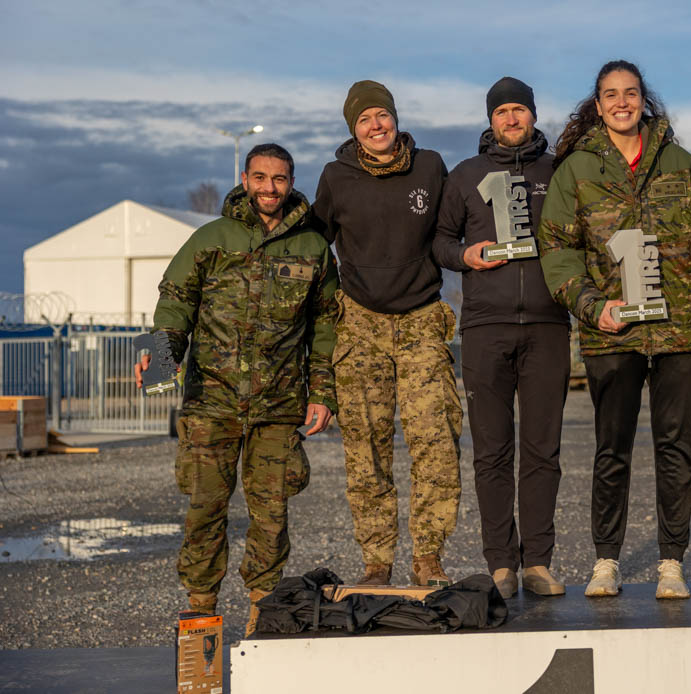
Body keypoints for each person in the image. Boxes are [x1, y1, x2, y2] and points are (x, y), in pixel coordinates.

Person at [537, 59, 691, 599]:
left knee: (676, 448)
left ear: (645, 100)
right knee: (611, 448)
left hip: (678, 331)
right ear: (597, 106)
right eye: (610, 95)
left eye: (631, 93)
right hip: (610, 333)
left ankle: (671, 562)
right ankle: (606, 561)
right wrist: (590, 304)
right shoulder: (576, 171)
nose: (622, 102)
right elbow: (558, 248)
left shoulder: (681, 164)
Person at [136, 143, 338, 636]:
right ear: (245, 179)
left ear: (292, 183)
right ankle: (201, 610)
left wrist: (322, 392)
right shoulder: (212, 238)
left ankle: (263, 613)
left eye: (280, 179)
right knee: (206, 508)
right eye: (261, 177)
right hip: (212, 401)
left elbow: (326, 323)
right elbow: (176, 303)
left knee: (272, 513)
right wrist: (161, 355)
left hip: (279, 406)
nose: (270, 188)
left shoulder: (312, 247)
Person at [314, 80, 462, 588]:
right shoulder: (336, 177)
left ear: (395, 118)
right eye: (364, 120)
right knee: (366, 449)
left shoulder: (430, 166)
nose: (376, 127)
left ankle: (428, 556)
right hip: (360, 325)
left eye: (382, 116)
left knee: (435, 442)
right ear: (353, 129)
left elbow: (453, 230)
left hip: (421, 319)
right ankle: (377, 561)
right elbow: (314, 247)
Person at [432, 77, 570, 599]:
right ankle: (500, 565)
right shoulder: (465, 175)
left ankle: (537, 561)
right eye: (502, 111)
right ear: (490, 119)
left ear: (533, 115)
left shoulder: (557, 171)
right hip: (485, 327)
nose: (511, 119)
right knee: (491, 451)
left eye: (520, 110)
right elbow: (440, 242)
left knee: (542, 450)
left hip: (548, 327)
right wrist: (462, 256)